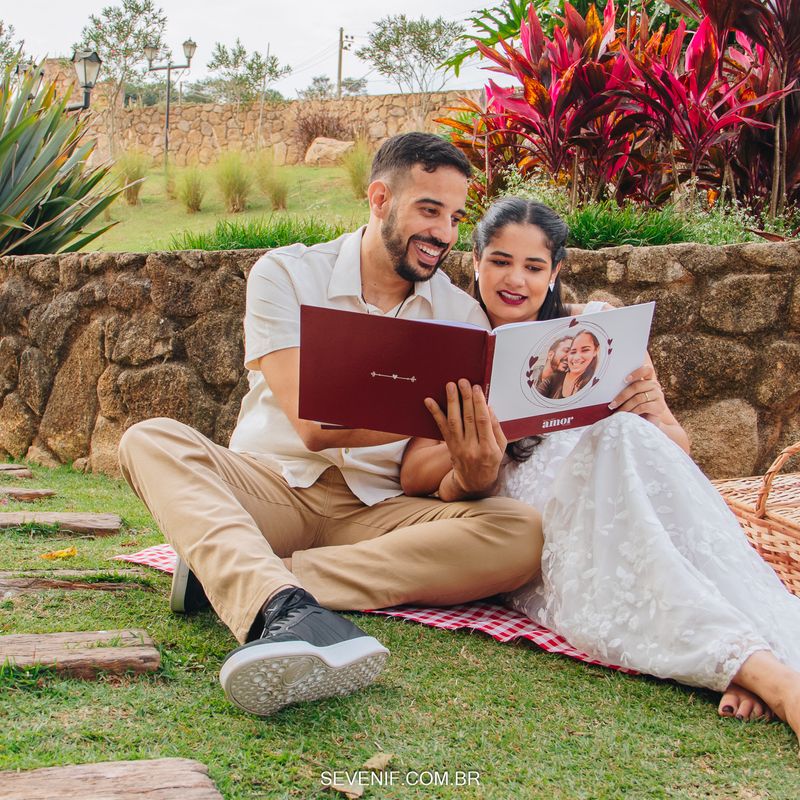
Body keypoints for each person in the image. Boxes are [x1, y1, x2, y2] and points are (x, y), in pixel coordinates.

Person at [117, 135, 542, 717]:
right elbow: (311, 423)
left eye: (453, 216)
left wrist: (472, 466)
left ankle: (254, 581)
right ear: (378, 198)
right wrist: (429, 410)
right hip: (271, 486)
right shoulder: (286, 275)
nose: (444, 233)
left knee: (521, 533)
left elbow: (425, 467)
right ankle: (272, 598)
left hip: (377, 511)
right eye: (428, 209)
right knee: (149, 439)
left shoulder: (462, 317)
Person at [400, 197, 800, 742]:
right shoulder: (454, 347)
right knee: (618, 464)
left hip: (628, 498)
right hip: (552, 529)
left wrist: (655, 406)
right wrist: (497, 425)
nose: (515, 279)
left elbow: (672, 455)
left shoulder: (597, 334)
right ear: (475, 261)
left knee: (622, 436)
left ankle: (752, 654)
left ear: (556, 271)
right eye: (499, 261)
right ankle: (770, 676)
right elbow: (413, 474)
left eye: (534, 266)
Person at [549, 329, 598, 398]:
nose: (576, 357)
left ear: (595, 351)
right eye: (573, 352)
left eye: (585, 350)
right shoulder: (554, 378)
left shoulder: (597, 379)